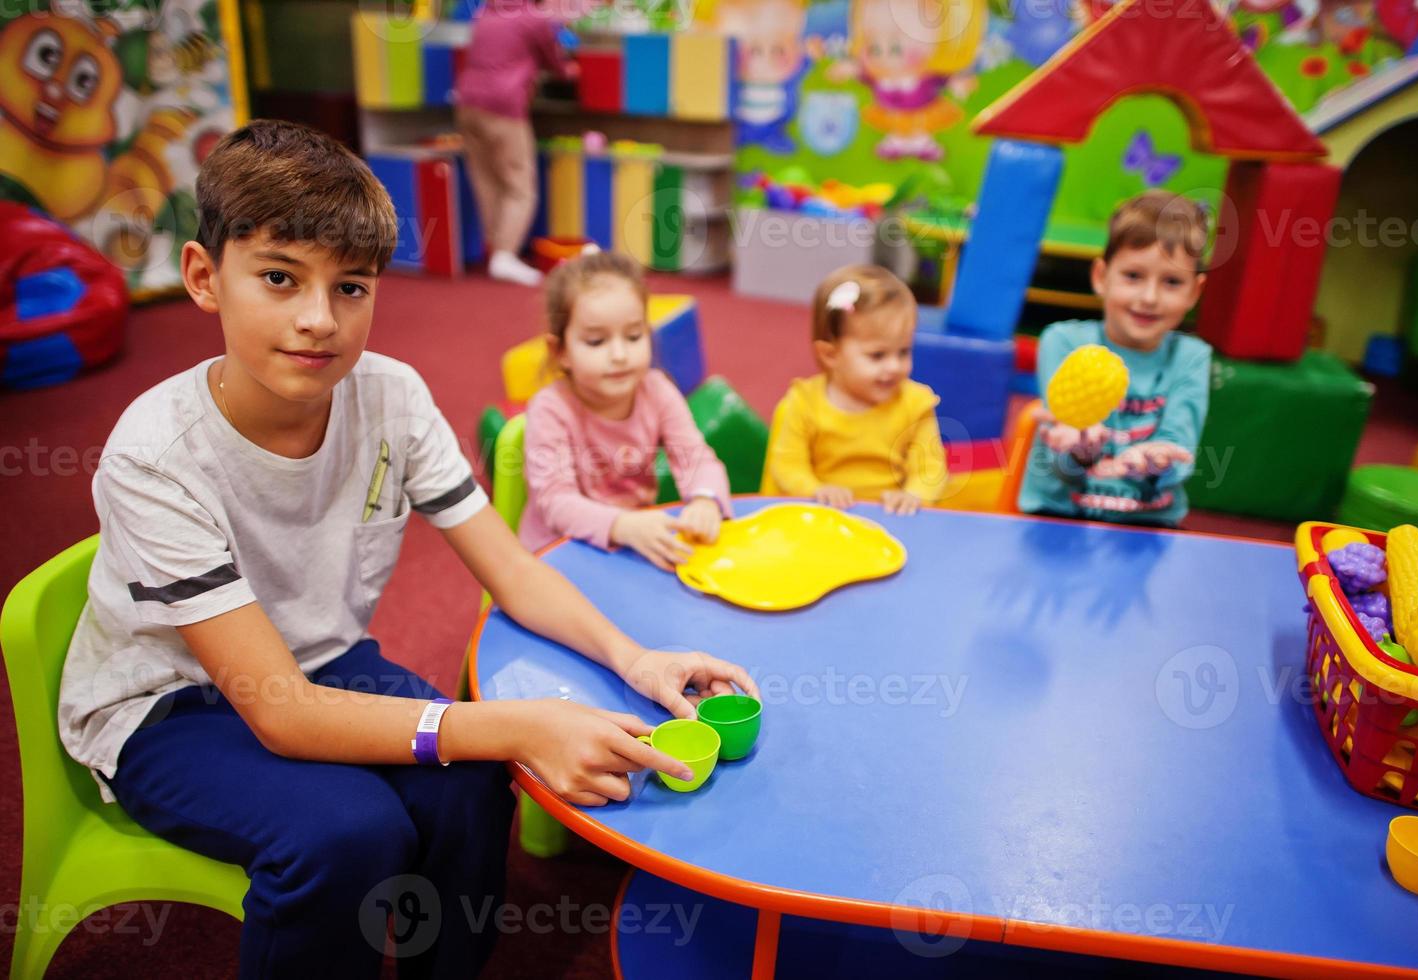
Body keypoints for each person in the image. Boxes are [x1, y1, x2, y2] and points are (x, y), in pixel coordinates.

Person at [56, 120, 755, 978]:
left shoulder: (391, 396)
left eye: (350, 288)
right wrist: (520, 726)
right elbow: (279, 712)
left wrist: (633, 657)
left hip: (321, 659)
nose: (318, 320)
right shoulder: (154, 455)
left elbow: (509, 569)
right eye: (279, 279)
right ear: (205, 277)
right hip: (166, 706)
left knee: (467, 788)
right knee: (348, 832)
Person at [520, 250, 732, 569]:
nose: (619, 354)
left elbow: (696, 457)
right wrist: (622, 526)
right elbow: (556, 503)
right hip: (557, 555)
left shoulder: (657, 390)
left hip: (632, 545)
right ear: (560, 350)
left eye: (634, 336)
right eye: (596, 342)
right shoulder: (551, 410)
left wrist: (705, 498)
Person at [1019, 189, 1213, 527]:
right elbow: (1061, 446)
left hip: (1148, 525)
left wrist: (1157, 460)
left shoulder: (1192, 357)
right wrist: (1078, 446)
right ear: (1100, 277)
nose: (1149, 297)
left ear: (1194, 292)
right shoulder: (1062, 341)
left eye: (1171, 282)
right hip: (1059, 517)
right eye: (1133, 276)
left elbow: (1178, 446)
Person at [761, 264, 947, 515]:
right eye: (877, 355)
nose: (894, 366)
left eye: (903, 351)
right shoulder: (805, 402)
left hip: (891, 518)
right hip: (823, 516)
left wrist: (913, 495)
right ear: (830, 354)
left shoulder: (916, 404)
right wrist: (816, 490)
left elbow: (930, 468)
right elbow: (787, 465)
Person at [454, 0, 575, 286]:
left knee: (487, 178)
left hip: (467, 103)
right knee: (520, 184)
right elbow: (556, 63)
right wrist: (571, 70)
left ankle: (496, 249)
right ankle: (505, 256)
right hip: (503, 105)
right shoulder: (532, 18)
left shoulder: (486, 12)